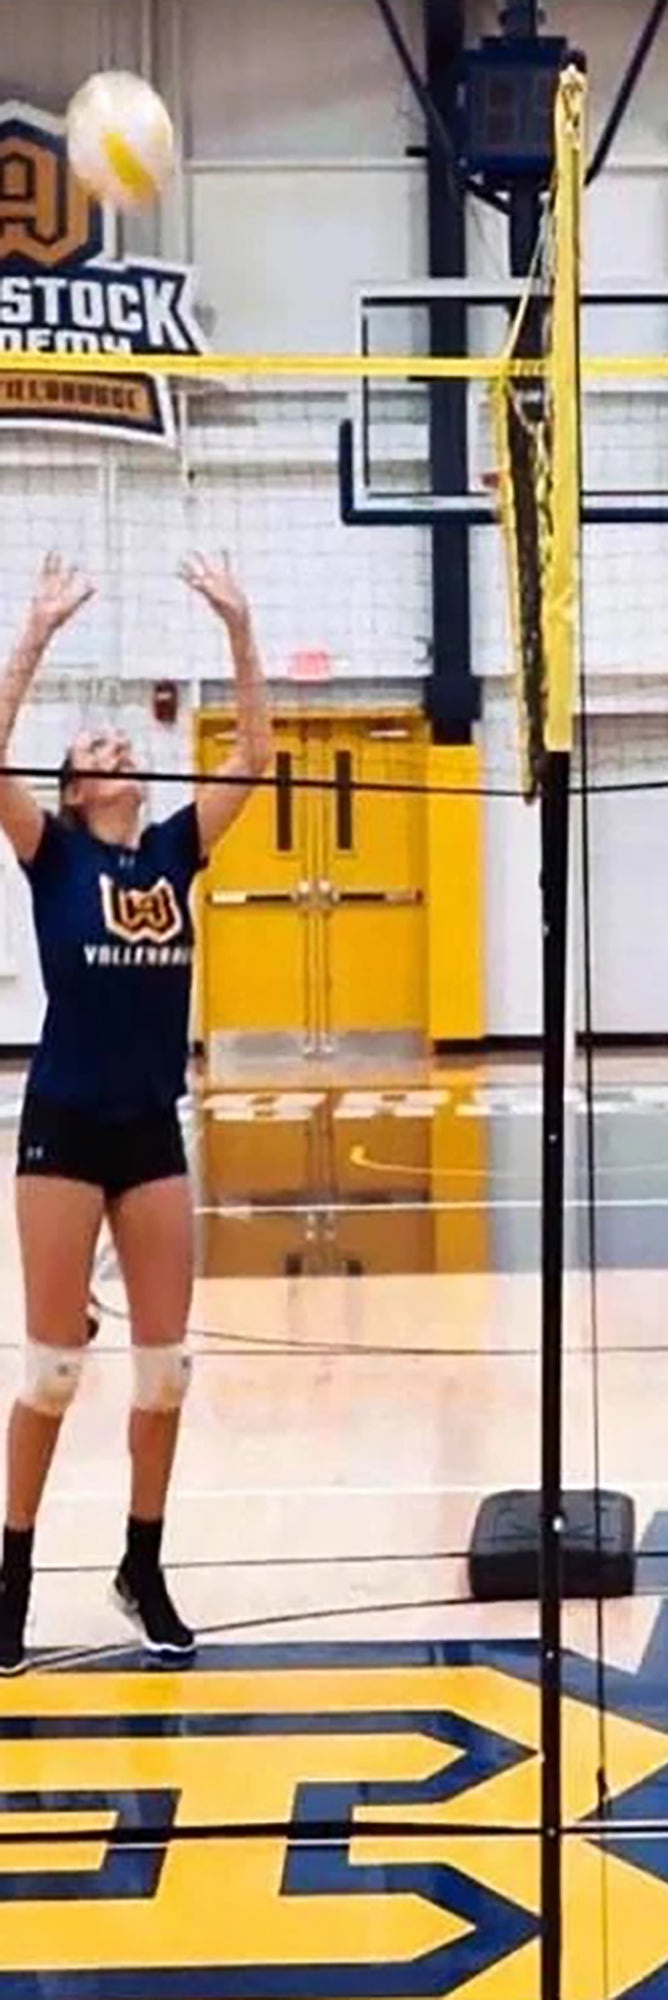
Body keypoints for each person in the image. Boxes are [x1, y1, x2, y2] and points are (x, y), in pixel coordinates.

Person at [0, 552, 272, 1675]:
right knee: (51, 1369)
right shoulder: (52, 855)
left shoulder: (172, 851)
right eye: (100, 752)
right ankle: (11, 1579)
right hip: (64, 1126)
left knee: (165, 1370)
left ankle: (141, 1566)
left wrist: (239, 627)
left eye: (123, 747)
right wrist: (35, 633)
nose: (121, 754)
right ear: (72, 789)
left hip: (150, 1131)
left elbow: (255, 756)